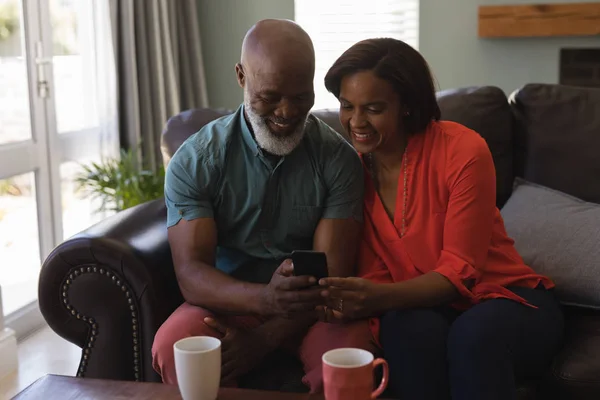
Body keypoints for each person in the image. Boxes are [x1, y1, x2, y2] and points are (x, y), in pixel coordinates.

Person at [316, 38, 564, 400]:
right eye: (346, 106)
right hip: (427, 309)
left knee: (473, 335)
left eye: (372, 108)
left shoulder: (462, 150)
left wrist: (377, 297)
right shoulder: (349, 171)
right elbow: (372, 274)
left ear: (407, 106)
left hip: (507, 301)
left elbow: (460, 270)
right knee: (404, 328)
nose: (356, 122)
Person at [151, 19, 376, 393]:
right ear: (241, 76)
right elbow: (191, 274)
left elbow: (332, 275)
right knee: (176, 344)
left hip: (312, 309)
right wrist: (264, 300)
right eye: (270, 96)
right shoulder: (196, 160)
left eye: (300, 97)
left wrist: (265, 338)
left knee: (350, 354)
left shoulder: (338, 160)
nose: (287, 112)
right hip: (225, 303)